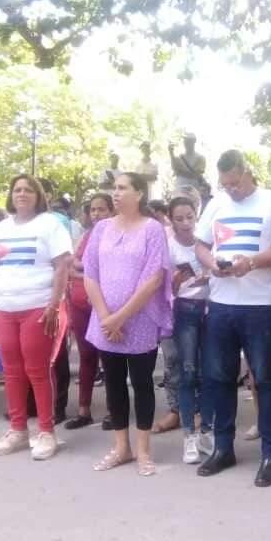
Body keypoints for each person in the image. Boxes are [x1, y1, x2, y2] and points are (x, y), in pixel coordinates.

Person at [193, 150, 271, 488]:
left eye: (235, 183)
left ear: (247, 172)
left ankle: (270, 453)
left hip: (259, 304)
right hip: (221, 304)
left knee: (264, 379)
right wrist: (211, 265)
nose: (231, 190)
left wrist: (251, 262)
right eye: (226, 185)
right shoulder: (217, 204)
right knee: (219, 378)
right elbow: (200, 245)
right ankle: (223, 448)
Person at [83, 173, 172, 476]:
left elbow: (153, 279)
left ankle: (144, 451)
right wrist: (106, 316)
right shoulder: (101, 229)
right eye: (114, 188)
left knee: (143, 383)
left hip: (140, 320)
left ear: (140, 194)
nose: (115, 193)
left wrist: (120, 317)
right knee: (113, 383)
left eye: (122, 188)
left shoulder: (153, 230)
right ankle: (121, 448)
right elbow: (90, 273)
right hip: (106, 321)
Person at [0, 174, 72, 460]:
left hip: (37, 307)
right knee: (11, 371)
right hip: (3, 307)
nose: (22, 194)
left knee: (37, 370)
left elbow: (62, 266)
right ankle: (18, 430)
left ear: (38, 196)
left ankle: (46, 432)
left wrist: (54, 304)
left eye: (28, 190)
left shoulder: (50, 225)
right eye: (17, 190)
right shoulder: (4, 227)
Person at [58, 193, 113, 430]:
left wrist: (82, 269)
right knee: (86, 356)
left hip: (103, 305)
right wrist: (84, 270)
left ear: (112, 211)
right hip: (79, 303)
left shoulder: (116, 235)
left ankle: (114, 410)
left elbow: (107, 270)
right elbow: (72, 268)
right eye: (92, 210)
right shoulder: (86, 235)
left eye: (101, 209)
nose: (96, 214)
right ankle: (84, 411)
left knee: (110, 358)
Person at [166, 196, 215, 463]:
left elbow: (220, 271)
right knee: (188, 373)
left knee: (210, 373)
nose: (185, 223)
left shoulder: (207, 241)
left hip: (210, 310)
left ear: (197, 216)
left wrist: (213, 274)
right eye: (179, 218)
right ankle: (189, 436)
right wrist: (175, 282)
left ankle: (207, 430)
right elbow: (164, 290)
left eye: (190, 217)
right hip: (184, 311)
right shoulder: (168, 247)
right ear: (171, 220)